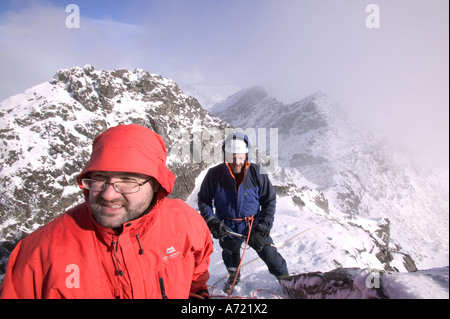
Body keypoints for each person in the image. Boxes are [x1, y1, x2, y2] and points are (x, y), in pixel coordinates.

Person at [0, 124, 213, 299]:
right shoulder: (39, 255)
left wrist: (196, 293)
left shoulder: (184, 222)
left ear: (157, 184)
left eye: (128, 180)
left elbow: (197, 272)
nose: (109, 194)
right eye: (99, 178)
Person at [198, 132, 288, 293]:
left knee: (269, 252)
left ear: (246, 154)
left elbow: (269, 201)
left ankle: (285, 279)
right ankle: (234, 275)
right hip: (227, 225)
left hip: (254, 224)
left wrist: (263, 229)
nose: (237, 162)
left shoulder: (257, 173)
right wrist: (212, 221)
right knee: (230, 253)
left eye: (240, 157)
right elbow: (204, 200)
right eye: (233, 158)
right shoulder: (214, 175)